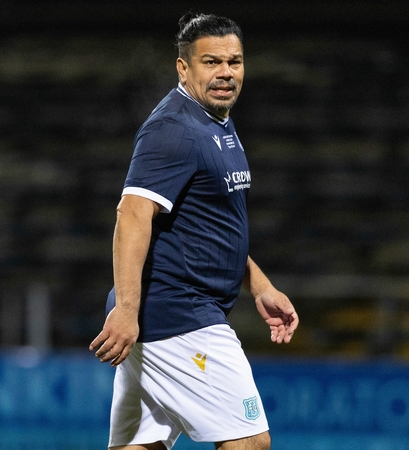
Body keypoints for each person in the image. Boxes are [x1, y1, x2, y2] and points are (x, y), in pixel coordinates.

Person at [89, 12, 298, 450]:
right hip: (179, 312)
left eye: (234, 62)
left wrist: (260, 286)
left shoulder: (215, 121)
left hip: (167, 312)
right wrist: (127, 309)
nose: (226, 72)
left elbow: (210, 225)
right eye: (211, 62)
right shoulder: (174, 129)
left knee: (140, 446)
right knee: (250, 442)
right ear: (183, 68)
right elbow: (132, 214)